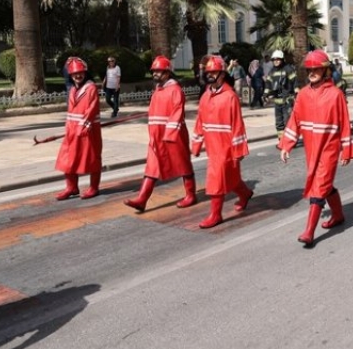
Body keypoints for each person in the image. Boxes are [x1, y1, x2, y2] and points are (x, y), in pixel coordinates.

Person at [279, 50, 353, 248]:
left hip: (329, 149)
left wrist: (346, 150)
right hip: (311, 149)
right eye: (309, 69)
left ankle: (309, 231)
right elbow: (294, 120)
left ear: (325, 69)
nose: (312, 72)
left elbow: (345, 124)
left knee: (319, 186)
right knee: (324, 184)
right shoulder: (303, 94)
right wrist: (286, 144)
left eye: (317, 68)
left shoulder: (336, 95)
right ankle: (338, 215)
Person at [124, 56, 197, 212]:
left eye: (159, 71)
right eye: (154, 71)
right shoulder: (158, 90)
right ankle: (142, 200)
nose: (155, 74)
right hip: (156, 138)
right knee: (152, 167)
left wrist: (169, 135)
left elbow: (177, 113)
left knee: (183, 165)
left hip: (173, 136)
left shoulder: (175, 90)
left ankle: (190, 195)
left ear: (167, 73)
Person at [191, 56, 254, 228]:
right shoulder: (205, 96)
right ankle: (246, 194)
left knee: (216, 178)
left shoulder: (230, 97)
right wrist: (196, 143)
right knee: (232, 178)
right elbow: (200, 121)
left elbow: (237, 124)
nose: (210, 75)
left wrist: (239, 150)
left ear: (222, 74)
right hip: (212, 145)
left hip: (226, 146)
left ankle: (215, 214)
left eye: (214, 72)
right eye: (208, 72)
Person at [54, 57, 103, 200]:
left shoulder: (91, 87)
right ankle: (71, 187)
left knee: (92, 159)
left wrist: (85, 126)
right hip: (71, 130)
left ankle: (94, 188)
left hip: (88, 130)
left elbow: (92, 108)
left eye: (80, 72)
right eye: (74, 73)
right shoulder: (72, 89)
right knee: (67, 159)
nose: (78, 75)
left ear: (85, 73)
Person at [264, 49, 299, 140]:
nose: (276, 61)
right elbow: (268, 83)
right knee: (279, 122)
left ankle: (289, 139)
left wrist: (296, 92)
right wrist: (265, 94)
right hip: (277, 101)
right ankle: (281, 140)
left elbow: (295, 81)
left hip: (287, 100)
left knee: (287, 121)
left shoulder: (288, 69)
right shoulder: (272, 71)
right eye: (274, 60)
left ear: (282, 59)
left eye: (278, 59)